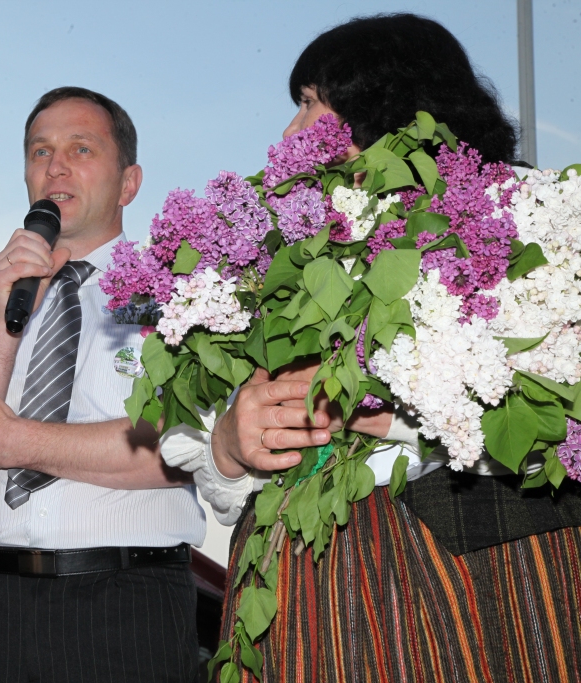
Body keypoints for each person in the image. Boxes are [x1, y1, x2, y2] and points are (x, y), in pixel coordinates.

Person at [173, 14, 581, 682]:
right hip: (299, 596)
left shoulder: (519, 219)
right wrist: (228, 442)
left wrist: (389, 410)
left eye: (309, 102)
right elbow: (211, 458)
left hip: (472, 583)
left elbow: (559, 416)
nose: (289, 132)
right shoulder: (273, 262)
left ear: (382, 100)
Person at [0, 86, 240, 683]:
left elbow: (185, 448)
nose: (54, 166)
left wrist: (11, 443)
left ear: (129, 182)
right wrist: (6, 318)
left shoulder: (184, 299)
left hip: (125, 607)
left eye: (80, 148)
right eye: (39, 152)